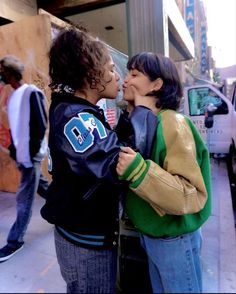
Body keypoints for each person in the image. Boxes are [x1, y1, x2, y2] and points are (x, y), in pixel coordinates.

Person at [116, 52, 212, 293]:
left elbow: (189, 193)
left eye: (134, 74)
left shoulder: (171, 122)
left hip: (174, 241)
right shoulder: (143, 121)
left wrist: (138, 170)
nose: (125, 80)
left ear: (157, 84)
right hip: (154, 236)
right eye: (127, 73)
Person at [0, 55, 49, 262]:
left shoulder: (31, 92)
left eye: (2, 70)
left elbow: (40, 124)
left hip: (30, 157)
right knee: (43, 187)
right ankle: (66, 211)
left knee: (23, 201)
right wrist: (13, 150)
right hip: (22, 156)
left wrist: (28, 155)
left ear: (10, 72)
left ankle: (14, 242)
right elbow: (19, 129)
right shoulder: (15, 96)